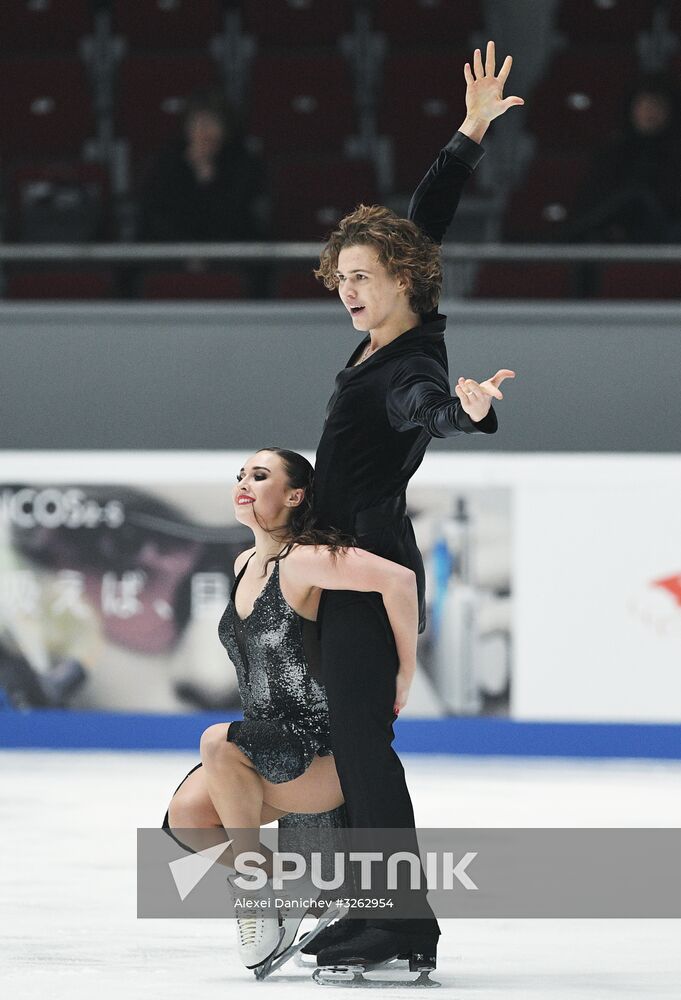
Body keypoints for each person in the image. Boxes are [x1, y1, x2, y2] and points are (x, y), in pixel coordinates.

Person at [304, 41, 521, 971]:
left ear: (402, 280)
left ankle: (404, 921)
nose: (349, 290)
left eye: (364, 277)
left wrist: (466, 413)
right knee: (351, 749)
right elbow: (424, 220)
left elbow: (423, 409)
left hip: (368, 566)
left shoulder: (413, 364)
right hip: (341, 560)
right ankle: (372, 907)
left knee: (365, 746)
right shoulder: (407, 324)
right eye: (342, 278)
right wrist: (468, 133)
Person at [162, 447, 419, 970]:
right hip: (264, 746)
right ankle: (287, 893)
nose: (245, 483)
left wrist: (404, 672)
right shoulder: (243, 563)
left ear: (294, 495)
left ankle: (256, 900)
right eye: (241, 475)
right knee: (187, 818)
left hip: (319, 748)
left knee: (216, 740)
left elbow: (399, 580)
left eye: (260, 476)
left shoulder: (302, 559)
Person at [559, 74, 681, 244]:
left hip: (663, 232)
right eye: (644, 105)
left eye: (657, 105)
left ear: (670, 112)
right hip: (614, 231)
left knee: (637, 198)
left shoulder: (675, 154)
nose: (650, 112)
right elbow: (595, 196)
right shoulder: (612, 152)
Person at [138, 89, 266, 243]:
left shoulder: (243, 163)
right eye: (196, 122)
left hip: (230, 253)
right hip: (173, 253)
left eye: (212, 122)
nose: (203, 132)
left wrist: (208, 180)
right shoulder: (168, 162)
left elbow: (239, 220)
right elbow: (157, 217)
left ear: (226, 127)